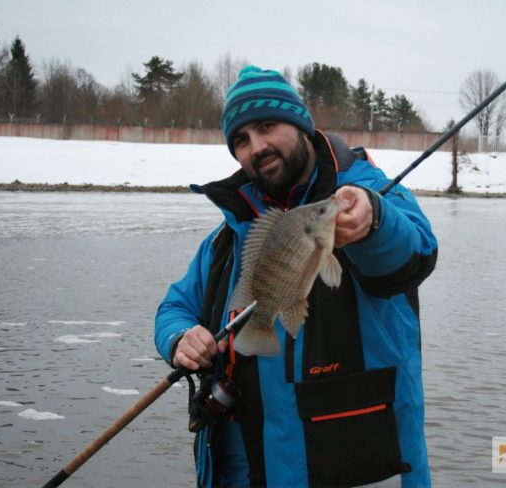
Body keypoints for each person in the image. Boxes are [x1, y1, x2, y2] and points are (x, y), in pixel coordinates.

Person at [154, 66, 438, 487]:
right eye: (241, 140)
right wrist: (181, 338)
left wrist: (371, 221)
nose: (257, 147)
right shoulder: (231, 234)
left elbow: (411, 254)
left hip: (355, 466)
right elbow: (176, 306)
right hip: (240, 472)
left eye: (267, 126)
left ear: (302, 124)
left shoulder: (372, 194)